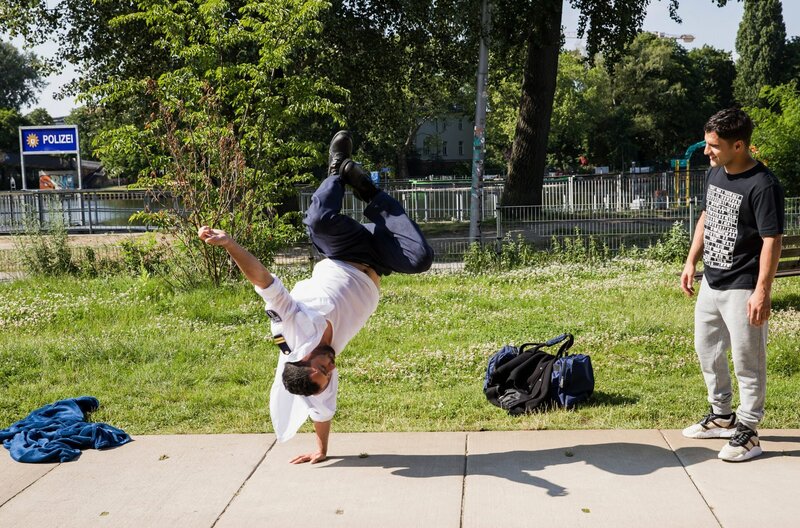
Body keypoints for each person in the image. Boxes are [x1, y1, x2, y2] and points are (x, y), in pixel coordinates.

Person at [198, 130, 433, 464]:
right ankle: (369, 192)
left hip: (343, 252)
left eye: (323, 366)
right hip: (378, 262)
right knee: (420, 259)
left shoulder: (290, 327)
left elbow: (263, 280)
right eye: (329, 371)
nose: (332, 364)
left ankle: (335, 172)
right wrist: (322, 450)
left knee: (319, 221)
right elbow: (320, 412)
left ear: (303, 360)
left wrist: (229, 244)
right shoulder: (320, 382)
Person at [679, 108, 784, 462]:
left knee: (747, 360)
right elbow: (707, 218)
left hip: (743, 286)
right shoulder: (717, 174)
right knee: (706, 349)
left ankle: (750, 432)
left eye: (713, 145)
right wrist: (691, 260)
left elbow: (772, 241)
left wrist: (762, 291)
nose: (707, 151)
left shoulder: (764, 185)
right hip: (712, 281)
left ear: (738, 145)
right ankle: (722, 415)